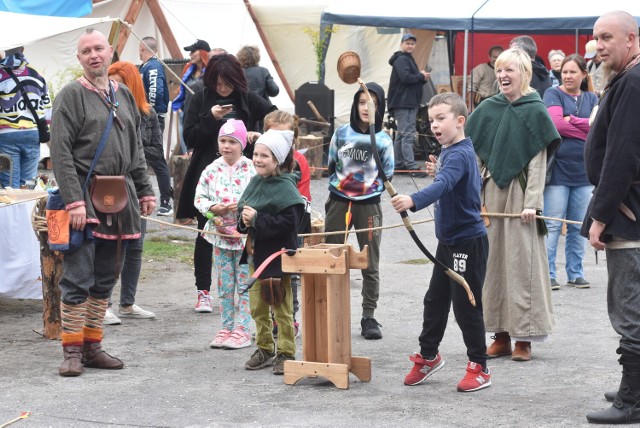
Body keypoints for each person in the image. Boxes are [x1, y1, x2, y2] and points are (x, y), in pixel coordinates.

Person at [50, 28, 156, 377]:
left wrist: (145, 189)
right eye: (86, 52)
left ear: (110, 52)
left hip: (120, 196)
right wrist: (74, 202)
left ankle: (93, 346)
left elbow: (135, 149)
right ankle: (72, 351)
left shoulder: (123, 93)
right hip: (84, 199)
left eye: (98, 49)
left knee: (106, 277)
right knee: (77, 276)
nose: (94, 55)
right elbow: (61, 154)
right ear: (79, 59)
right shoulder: (70, 96)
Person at [466, 47, 560, 362]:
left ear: (524, 73)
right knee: (492, 265)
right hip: (491, 193)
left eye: (510, 70)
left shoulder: (535, 109)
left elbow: (537, 162)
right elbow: (473, 154)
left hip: (521, 197)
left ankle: (524, 338)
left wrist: (533, 202)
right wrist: (473, 197)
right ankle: (500, 335)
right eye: (500, 70)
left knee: (523, 265)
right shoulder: (488, 108)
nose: (503, 76)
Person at [391, 92, 490, 392]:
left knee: (465, 306)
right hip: (448, 242)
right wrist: (439, 170)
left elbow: (445, 184)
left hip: (467, 243)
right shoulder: (451, 150)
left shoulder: (459, 153)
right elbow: (448, 177)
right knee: (435, 300)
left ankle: (480, 366)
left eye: (441, 118)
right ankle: (429, 356)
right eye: (431, 119)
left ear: (460, 121)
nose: (434, 124)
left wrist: (412, 199)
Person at [178, 53, 274, 313]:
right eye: (218, 83)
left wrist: (259, 136)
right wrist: (209, 118)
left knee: (244, 230)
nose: (222, 88)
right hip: (208, 172)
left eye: (227, 83)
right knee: (205, 231)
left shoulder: (247, 99)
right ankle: (203, 292)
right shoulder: (200, 98)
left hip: (243, 174)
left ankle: (245, 289)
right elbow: (190, 137)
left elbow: (277, 120)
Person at [583, 11, 640, 425]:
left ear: (631, 39)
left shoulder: (634, 83)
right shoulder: (626, 80)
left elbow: (622, 154)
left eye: (607, 37)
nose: (598, 45)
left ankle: (631, 400)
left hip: (628, 215)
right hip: (628, 208)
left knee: (628, 308)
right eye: (595, 38)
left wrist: (600, 215)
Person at [324, 82, 394, 340]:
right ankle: (329, 309)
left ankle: (369, 316)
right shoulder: (341, 133)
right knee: (330, 255)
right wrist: (342, 189)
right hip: (339, 202)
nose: (367, 108)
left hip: (369, 205)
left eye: (372, 103)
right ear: (355, 105)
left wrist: (367, 191)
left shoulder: (384, 140)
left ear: (380, 108)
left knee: (370, 261)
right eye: (362, 102)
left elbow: (388, 172)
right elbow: (331, 163)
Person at [237, 127, 305, 375]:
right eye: (256, 154)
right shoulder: (256, 182)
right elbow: (243, 210)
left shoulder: (287, 188)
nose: (257, 160)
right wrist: (244, 220)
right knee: (257, 307)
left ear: (277, 160)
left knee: (282, 307)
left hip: (278, 259)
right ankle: (264, 348)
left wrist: (257, 219)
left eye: (265, 156)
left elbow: (289, 224)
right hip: (257, 255)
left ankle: (286, 352)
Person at [100, 60, 163, 325]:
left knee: (136, 246)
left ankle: (128, 302)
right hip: (111, 185)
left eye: (119, 82)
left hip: (137, 184)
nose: (114, 87)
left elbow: (155, 150)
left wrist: (131, 156)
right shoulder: (103, 109)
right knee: (111, 246)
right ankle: (103, 304)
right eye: (111, 81)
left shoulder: (146, 113)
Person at [194, 119, 255, 349]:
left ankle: (243, 329)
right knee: (225, 284)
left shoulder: (252, 169)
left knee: (244, 284)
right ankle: (226, 327)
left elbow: (261, 198)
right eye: (223, 141)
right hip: (219, 235)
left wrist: (245, 210)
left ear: (242, 145)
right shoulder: (211, 169)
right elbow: (199, 198)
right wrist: (213, 210)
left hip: (245, 238)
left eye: (232, 141)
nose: (227, 146)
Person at [542, 54, 598, 291]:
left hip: (584, 173)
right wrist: (586, 127)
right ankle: (548, 274)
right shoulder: (552, 94)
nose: (567, 76)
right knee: (553, 225)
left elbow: (599, 129)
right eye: (565, 72)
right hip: (558, 172)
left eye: (573, 72)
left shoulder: (593, 97)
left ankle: (575, 273)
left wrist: (572, 120)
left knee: (577, 225)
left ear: (584, 75)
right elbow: (555, 125)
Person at [262, 110, 310, 338]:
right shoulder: (262, 159)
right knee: (266, 276)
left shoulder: (298, 162)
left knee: (288, 276)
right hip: (265, 226)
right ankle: (271, 319)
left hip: (290, 225)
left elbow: (301, 199)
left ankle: (289, 318)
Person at [0, 46, 51, 188]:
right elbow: (48, 112)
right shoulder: (37, 74)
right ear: (22, 49)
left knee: (9, 185)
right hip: (32, 135)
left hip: (6, 137)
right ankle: (28, 207)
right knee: (29, 184)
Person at [139, 36, 173, 217]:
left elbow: (155, 91)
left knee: (156, 158)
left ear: (143, 48)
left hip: (152, 119)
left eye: (139, 49)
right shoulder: (147, 66)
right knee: (148, 157)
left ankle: (166, 201)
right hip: (147, 117)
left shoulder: (152, 66)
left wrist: (149, 112)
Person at [388, 33, 429, 178]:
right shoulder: (401, 59)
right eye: (407, 43)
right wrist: (420, 76)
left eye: (412, 43)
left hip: (407, 102)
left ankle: (399, 164)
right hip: (404, 103)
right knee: (407, 135)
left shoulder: (406, 59)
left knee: (401, 134)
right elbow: (406, 78)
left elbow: (409, 81)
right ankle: (411, 167)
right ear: (401, 44)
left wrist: (422, 78)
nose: (410, 46)